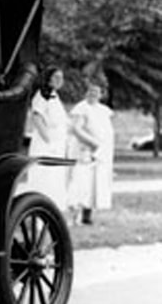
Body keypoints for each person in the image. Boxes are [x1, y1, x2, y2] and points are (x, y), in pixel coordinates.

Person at [67, 83, 115, 224]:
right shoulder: (81, 108)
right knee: (80, 183)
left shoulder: (103, 110)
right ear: (86, 92)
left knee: (94, 185)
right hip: (85, 150)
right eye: (90, 91)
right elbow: (76, 129)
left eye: (96, 92)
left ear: (101, 94)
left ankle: (87, 216)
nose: (93, 94)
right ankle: (74, 217)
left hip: (100, 154)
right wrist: (92, 143)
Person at [24, 66, 69, 210]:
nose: (59, 81)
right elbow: (37, 119)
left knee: (55, 179)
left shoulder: (55, 96)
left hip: (57, 143)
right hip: (45, 144)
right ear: (48, 79)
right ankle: (39, 214)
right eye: (56, 77)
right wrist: (49, 141)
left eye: (61, 78)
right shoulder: (41, 95)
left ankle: (53, 210)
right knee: (43, 178)